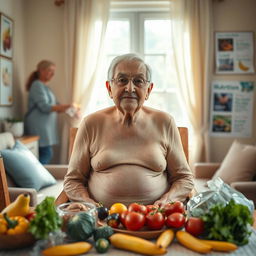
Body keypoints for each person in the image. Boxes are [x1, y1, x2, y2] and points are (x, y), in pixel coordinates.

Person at [64, 53, 194, 208]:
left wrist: (167, 200)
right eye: (122, 80)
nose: (130, 88)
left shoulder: (165, 122)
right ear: (109, 88)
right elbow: (73, 181)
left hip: (155, 219)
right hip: (101, 219)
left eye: (138, 81)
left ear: (148, 90)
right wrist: (90, 206)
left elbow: (184, 179)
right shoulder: (90, 124)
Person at [24, 60, 74, 164]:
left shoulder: (46, 87)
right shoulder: (37, 85)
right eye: (50, 70)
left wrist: (71, 109)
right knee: (47, 153)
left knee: (45, 153)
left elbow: (57, 106)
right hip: (38, 126)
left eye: (53, 71)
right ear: (41, 71)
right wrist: (69, 106)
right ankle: (38, 175)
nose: (53, 74)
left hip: (45, 127)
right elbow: (45, 107)